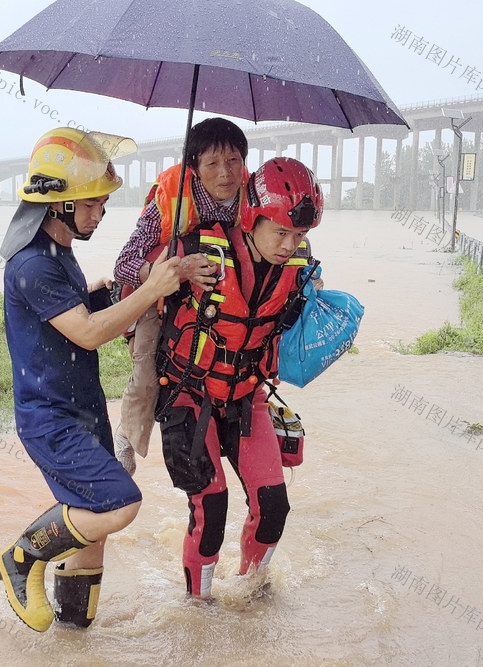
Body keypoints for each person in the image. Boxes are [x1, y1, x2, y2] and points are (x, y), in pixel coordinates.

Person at [0, 127, 182, 633]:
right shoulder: (34, 264)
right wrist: (150, 293)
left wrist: (120, 287)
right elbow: (89, 333)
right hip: (50, 418)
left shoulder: (57, 253)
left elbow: (74, 313)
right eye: (92, 204)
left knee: (91, 531)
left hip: (82, 407)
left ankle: (74, 638)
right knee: (120, 505)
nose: (100, 213)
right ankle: (20, 557)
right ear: (58, 206)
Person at [155, 157, 324, 600]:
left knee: (274, 506)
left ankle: (253, 593)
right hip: (191, 397)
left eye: (300, 235)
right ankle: (197, 607)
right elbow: (134, 280)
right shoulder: (196, 251)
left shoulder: (301, 270)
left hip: (248, 399)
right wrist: (173, 271)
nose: (290, 245)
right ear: (251, 217)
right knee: (212, 507)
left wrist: (321, 303)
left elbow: (301, 334)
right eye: (281, 232)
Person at [112, 117, 251, 475]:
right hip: (161, 291)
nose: (225, 174)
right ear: (194, 167)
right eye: (213, 164)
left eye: (234, 161)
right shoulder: (169, 197)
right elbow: (124, 264)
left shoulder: (253, 195)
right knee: (146, 371)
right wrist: (175, 270)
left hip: (221, 295)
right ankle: (126, 441)